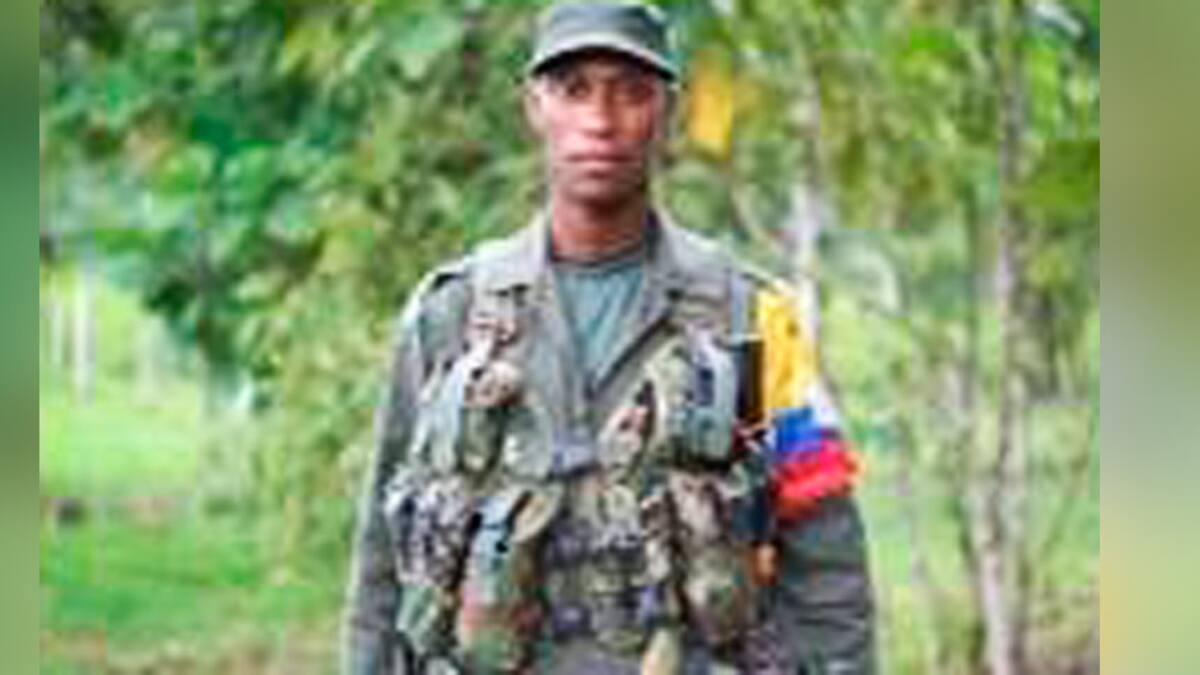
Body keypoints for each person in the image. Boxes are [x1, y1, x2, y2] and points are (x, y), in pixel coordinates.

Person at [343, 3, 874, 673]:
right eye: (574, 90)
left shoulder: (749, 317)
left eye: (631, 92)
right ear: (535, 106)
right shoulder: (450, 313)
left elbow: (826, 552)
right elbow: (382, 560)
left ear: (666, 110)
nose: (600, 120)